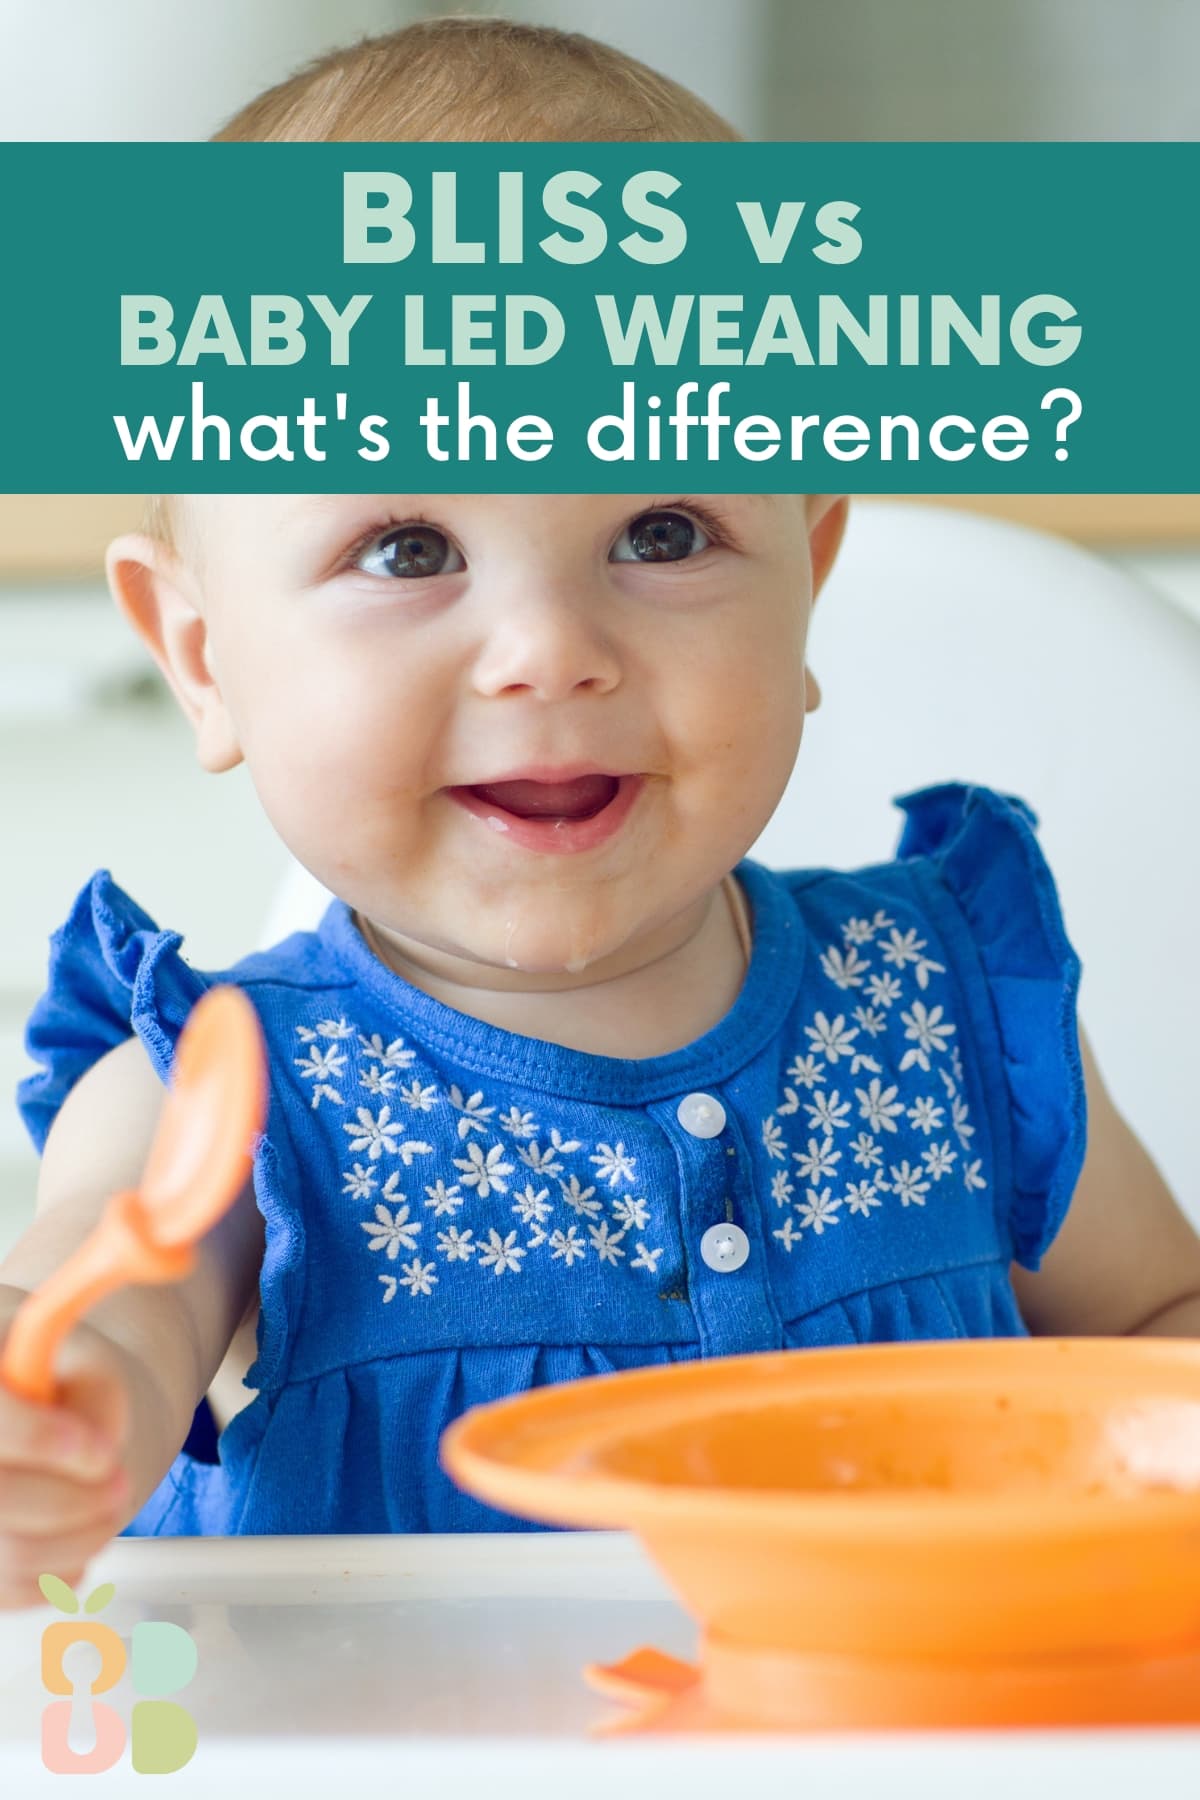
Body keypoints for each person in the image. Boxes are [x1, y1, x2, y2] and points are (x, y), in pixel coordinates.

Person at [2, 17, 1198, 1607]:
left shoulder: (952, 1006)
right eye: (408, 548)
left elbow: (1151, 1339)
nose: (552, 654)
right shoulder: (215, 1089)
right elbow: (105, 1313)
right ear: (207, 660)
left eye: (662, 525)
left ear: (808, 581)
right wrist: (61, 1413)